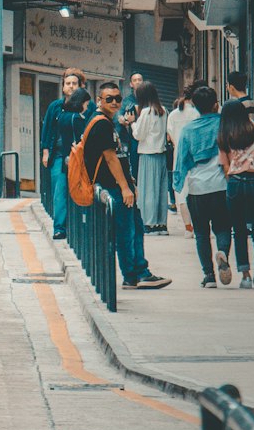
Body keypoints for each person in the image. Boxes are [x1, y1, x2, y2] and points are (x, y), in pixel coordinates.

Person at [83, 83, 171, 289]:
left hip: (118, 185)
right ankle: (133, 275)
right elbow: (111, 158)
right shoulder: (101, 123)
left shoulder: (107, 121)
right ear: (99, 100)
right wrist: (124, 188)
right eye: (109, 99)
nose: (114, 102)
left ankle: (139, 272)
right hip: (112, 187)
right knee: (126, 232)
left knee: (135, 228)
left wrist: (129, 183)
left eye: (117, 98)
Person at [173, 85, 233, 288]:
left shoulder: (189, 130)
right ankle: (223, 252)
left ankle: (208, 276)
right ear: (216, 105)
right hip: (222, 186)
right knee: (223, 227)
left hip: (197, 188)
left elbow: (181, 159)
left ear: (195, 106)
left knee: (201, 232)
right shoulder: (224, 125)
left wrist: (178, 183)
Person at [217, 99, 254, 289]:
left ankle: (245, 275)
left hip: (235, 182)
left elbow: (225, 166)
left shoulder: (225, 135)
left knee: (238, 230)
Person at [49, 87, 92, 240]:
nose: (87, 108)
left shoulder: (62, 116)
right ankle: (79, 228)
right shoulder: (78, 119)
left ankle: (59, 228)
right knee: (78, 191)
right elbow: (82, 141)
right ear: (82, 102)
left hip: (62, 159)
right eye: (87, 104)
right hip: (75, 160)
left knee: (60, 194)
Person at [131, 82, 169, 232]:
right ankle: (161, 222)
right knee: (160, 189)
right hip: (161, 154)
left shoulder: (146, 112)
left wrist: (132, 123)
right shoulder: (163, 110)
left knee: (147, 189)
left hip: (148, 154)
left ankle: (149, 222)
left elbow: (138, 135)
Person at [40, 68, 86, 170]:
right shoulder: (55, 106)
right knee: (59, 185)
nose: (71, 86)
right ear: (63, 87)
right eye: (68, 83)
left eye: (74, 83)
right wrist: (45, 151)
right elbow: (47, 129)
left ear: (80, 86)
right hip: (58, 155)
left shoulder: (87, 106)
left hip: (81, 156)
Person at [167, 86, 199, 230]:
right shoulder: (196, 113)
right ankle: (198, 224)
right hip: (195, 155)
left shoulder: (173, 114)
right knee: (195, 188)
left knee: (181, 190)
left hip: (178, 154)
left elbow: (171, 136)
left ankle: (188, 227)